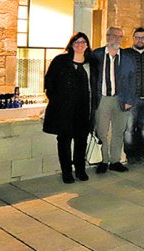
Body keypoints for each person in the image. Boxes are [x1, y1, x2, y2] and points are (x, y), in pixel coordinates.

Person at [43, 32, 96, 183]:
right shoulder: (60, 60)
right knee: (64, 141)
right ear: (71, 44)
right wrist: (56, 100)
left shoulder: (92, 62)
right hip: (64, 110)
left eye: (83, 42)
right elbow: (49, 82)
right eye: (76, 42)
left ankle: (80, 170)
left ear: (87, 45)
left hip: (83, 109)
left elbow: (96, 84)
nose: (80, 45)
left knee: (81, 141)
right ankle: (66, 172)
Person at [92, 26, 135, 174]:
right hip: (102, 99)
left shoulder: (127, 58)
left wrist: (130, 99)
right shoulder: (96, 55)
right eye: (113, 36)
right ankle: (103, 160)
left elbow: (132, 80)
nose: (116, 39)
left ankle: (115, 161)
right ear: (107, 36)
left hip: (121, 100)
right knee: (102, 131)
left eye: (119, 37)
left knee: (119, 131)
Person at [124, 27, 144, 165]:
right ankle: (130, 155)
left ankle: (140, 153)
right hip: (131, 99)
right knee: (129, 129)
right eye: (137, 37)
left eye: (143, 37)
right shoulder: (126, 54)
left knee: (143, 128)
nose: (140, 40)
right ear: (133, 38)